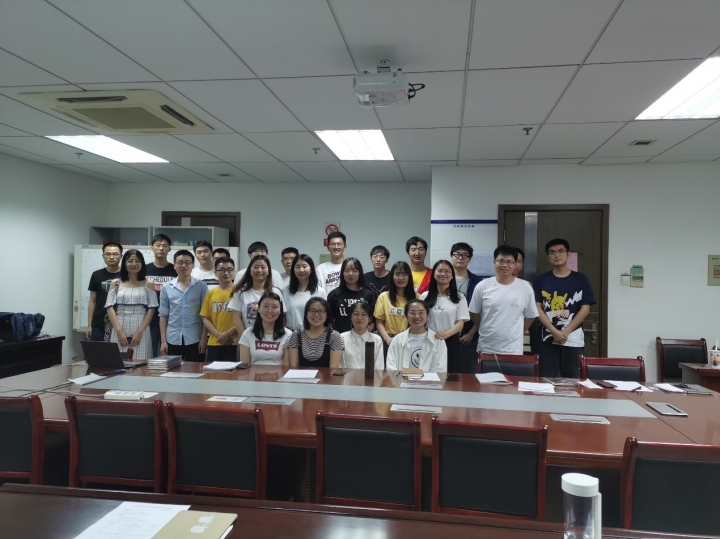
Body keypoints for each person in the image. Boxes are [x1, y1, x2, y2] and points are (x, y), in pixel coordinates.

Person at [534, 238, 596, 378]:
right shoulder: (541, 280)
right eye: (552, 252)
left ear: (568, 254)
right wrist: (554, 331)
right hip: (547, 339)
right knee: (545, 379)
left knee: (573, 380)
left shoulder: (580, 279)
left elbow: (585, 309)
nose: (557, 255)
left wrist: (565, 332)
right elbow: (537, 308)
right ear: (548, 257)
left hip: (572, 339)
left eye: (561, 251)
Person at [468, 246, 538, 355]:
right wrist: (485, 327)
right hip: (486, 347)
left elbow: (531, 315)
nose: (505, 265)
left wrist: (517, 333)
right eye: (501, 261)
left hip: (513, 349)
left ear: (515, 264)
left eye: (510, 262)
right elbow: (473, 312)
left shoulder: (525, 287)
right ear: (494, 262)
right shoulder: (482, 286)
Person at [104, 249, 157, 360]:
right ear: (124, 263)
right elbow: (109, 307)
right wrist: (119, 331)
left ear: (142, 263)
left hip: (141, 327)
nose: (134, 264)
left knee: (141, 361)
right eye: (130, 261)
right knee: (117, 360)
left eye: (137, 261)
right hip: (119, 325)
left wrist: (140, 332)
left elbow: (151, 309)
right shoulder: (115, 283)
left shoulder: (149, 283)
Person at [420, 260, 469, 373]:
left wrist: (446, 334)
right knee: (427, 372)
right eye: (440, 271)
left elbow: (460, 322)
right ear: (434, 274)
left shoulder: (460, 297)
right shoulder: (424, 297)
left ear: (452, 276)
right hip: (429, 339)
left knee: (451, 373)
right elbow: (421, 320)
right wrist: (432, 334)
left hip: (451, 341)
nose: (443, 274)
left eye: (447, 271)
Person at [159, 250, 209, 362]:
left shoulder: (201, 286)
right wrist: (163, 341)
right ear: (174, 265)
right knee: (173, 370)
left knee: (195, 369)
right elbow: (163, 315)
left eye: (187, 262)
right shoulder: (166, 287)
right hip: (172, 338)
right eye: (180, 262)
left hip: (195, 338)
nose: (184, 265)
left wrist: (204, 338)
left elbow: (205, 315)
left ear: (193, 265)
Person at [386, 299, 447, 373]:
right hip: (401, 380)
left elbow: (440, 369)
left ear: (427, 316)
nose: (417, 316)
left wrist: (425, 379)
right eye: (412, 313)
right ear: (406, 316)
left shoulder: (438, 340)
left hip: (430, 380)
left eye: (421, 312)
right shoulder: (397, 340)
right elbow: (391, 367)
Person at [229, 254, 283, 336]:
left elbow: (282, 316)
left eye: (263, 267)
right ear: (250, 270)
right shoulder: (240, 292)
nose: (259, 270)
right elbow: (237, 318)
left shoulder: (276, 292)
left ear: (269, 271)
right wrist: (246, 339)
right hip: (247, 338)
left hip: (271, 339)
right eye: (255, 267)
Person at [451, 242, 485, 373]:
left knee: (468, 373)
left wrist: (471, 333)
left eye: (464, 255)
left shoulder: (478, 283)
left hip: (470, 335)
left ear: (469, 259)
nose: (460, 257)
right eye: (457, 254)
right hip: (446, 334)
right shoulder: (443, 280)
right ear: (451, 257)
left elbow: (481, 312)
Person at [374, 261, 417, 358]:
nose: (401, 278)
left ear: (409, 277)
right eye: (397, 274)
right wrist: (387, 339)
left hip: (410, 341)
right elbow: (379, 322)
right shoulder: (384, 297)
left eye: (404, 274)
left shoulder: (417, 298)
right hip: (389, 340)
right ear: (392, 277)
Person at [200, 256, 238, 362]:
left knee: (234, 372)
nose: (226, 273)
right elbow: (205, 318)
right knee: (213, 372)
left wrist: (227, 334)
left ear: (234, 271)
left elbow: (243, 318)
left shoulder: (240, 292)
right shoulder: (211, 294)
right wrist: (219, 335)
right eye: (222, 270)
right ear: (216, 273)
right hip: (214, 342)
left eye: (229, 269)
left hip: (234, 342)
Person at [238, 292, 293, 366]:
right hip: (253, 373)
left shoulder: (288, 334)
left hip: (279, 373)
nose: (270, 311)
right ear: (258, 309)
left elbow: (286, 367)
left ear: (280, 310)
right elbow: (245, 365)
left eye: (274, 307)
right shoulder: (247, 333)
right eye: (266, 306)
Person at [287, 297, 344, 368]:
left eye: (321, 311)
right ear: (306, 314)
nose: (316, 314)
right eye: (312, 311)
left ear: (327, 315)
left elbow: (333, 369)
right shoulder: (296, 335)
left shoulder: (334, 336)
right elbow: (294, 367)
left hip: (327, 375)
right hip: (301, 375)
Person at [145, 233, 177, 357]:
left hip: (171, 320)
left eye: (164, 246)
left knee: (170, 355)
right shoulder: (144, 270)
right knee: (150, 353)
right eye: (158, 245)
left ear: (169, 249)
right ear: (152, 248)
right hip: (149, 319)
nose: (161, 248)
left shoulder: (175, 270)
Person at [326, 257, 376, 334]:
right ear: (342, 273)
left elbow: (373, 320)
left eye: (354, 270)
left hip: (362, 336)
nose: (350, 274)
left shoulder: (368, 294)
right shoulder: (334, 295)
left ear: (360, 273)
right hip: (339, 337)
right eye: (347, 271)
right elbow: (329, 319)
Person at [86, 242, 122, 341]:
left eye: (115, 254)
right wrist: (89, 325)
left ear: (121, 256)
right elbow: (92, 300)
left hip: (120, 322)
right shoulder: (96, 275)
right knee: (99, 350)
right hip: (99, 323)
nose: (111, 257)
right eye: (108, 254)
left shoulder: (127, 275)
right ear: (103, 256)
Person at [283, 254, 327, 331]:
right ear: (293, 270)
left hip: (312, 332)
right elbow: (283, 316)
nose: (301, 270)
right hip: (290, 332)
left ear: (311, 269)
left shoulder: (320, 292)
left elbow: (323, 316)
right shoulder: (286, 291)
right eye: (297, 267)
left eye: (304, 266)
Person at [340, 301, 384, 369]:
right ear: (350, 317)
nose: (359, 318)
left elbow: (379, 367)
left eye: (364, 314)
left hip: (371, 376)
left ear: (370, 318)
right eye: (356, 314)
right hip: (347, 375)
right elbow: (339, 365)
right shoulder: (342, 338)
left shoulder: (377, 339)